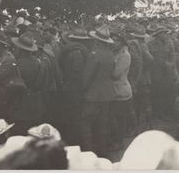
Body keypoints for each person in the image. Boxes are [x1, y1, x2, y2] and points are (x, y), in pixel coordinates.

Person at [80, 25, 116, 156]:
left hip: (93, 94)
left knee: (86, 122)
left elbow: (87, 76)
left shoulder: (94, 55)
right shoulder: (111, 54)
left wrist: (83, 89)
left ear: (97, 41)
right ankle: (103, 151)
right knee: (103, 123)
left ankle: (88, 151)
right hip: (107, 93)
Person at [58, 27, 91, 145]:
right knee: (75, 115)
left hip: (68, 86)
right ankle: (74, 141)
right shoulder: (78, 52)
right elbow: (76, 72)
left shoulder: (69, 49)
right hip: (74, 88)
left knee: (70, 114)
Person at [9, 32, 45, 136]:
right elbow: (41, 84)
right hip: (35, 104)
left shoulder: (17, 64)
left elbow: (13, 87)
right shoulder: (39, 62)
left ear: (20, 49)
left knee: (19, 135)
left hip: (20, 105)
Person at [110, 29, 137, 148]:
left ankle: (120, 142)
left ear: (122, 43)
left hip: (121, 90)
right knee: (116, 117)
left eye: (117, 41)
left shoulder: (125, 55)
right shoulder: (115, 53)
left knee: (119, 119)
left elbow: (116, 74)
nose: (114, 43)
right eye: (113, 40)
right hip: (114, 90)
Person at [148, 25, 177, 120]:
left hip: (167, 72)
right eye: (163, 33)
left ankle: (166, 112)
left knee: (167, 93)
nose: (165, 35)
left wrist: (171, 64)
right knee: (156, 93)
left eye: (165, 33)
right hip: (155, 72)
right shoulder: (151, 44)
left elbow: (173, 56)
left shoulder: (170, 43)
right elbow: (149, 58)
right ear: (158, 35)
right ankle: (157, 113)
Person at [129, 24, 154, 130]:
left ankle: (142, 124)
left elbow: (150, 59)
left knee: (139, 101)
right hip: (144, 77)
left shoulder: (138, 45)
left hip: (140, 77)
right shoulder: (143, 44)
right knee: (144, 101)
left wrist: (143, 67)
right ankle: (148, 124)